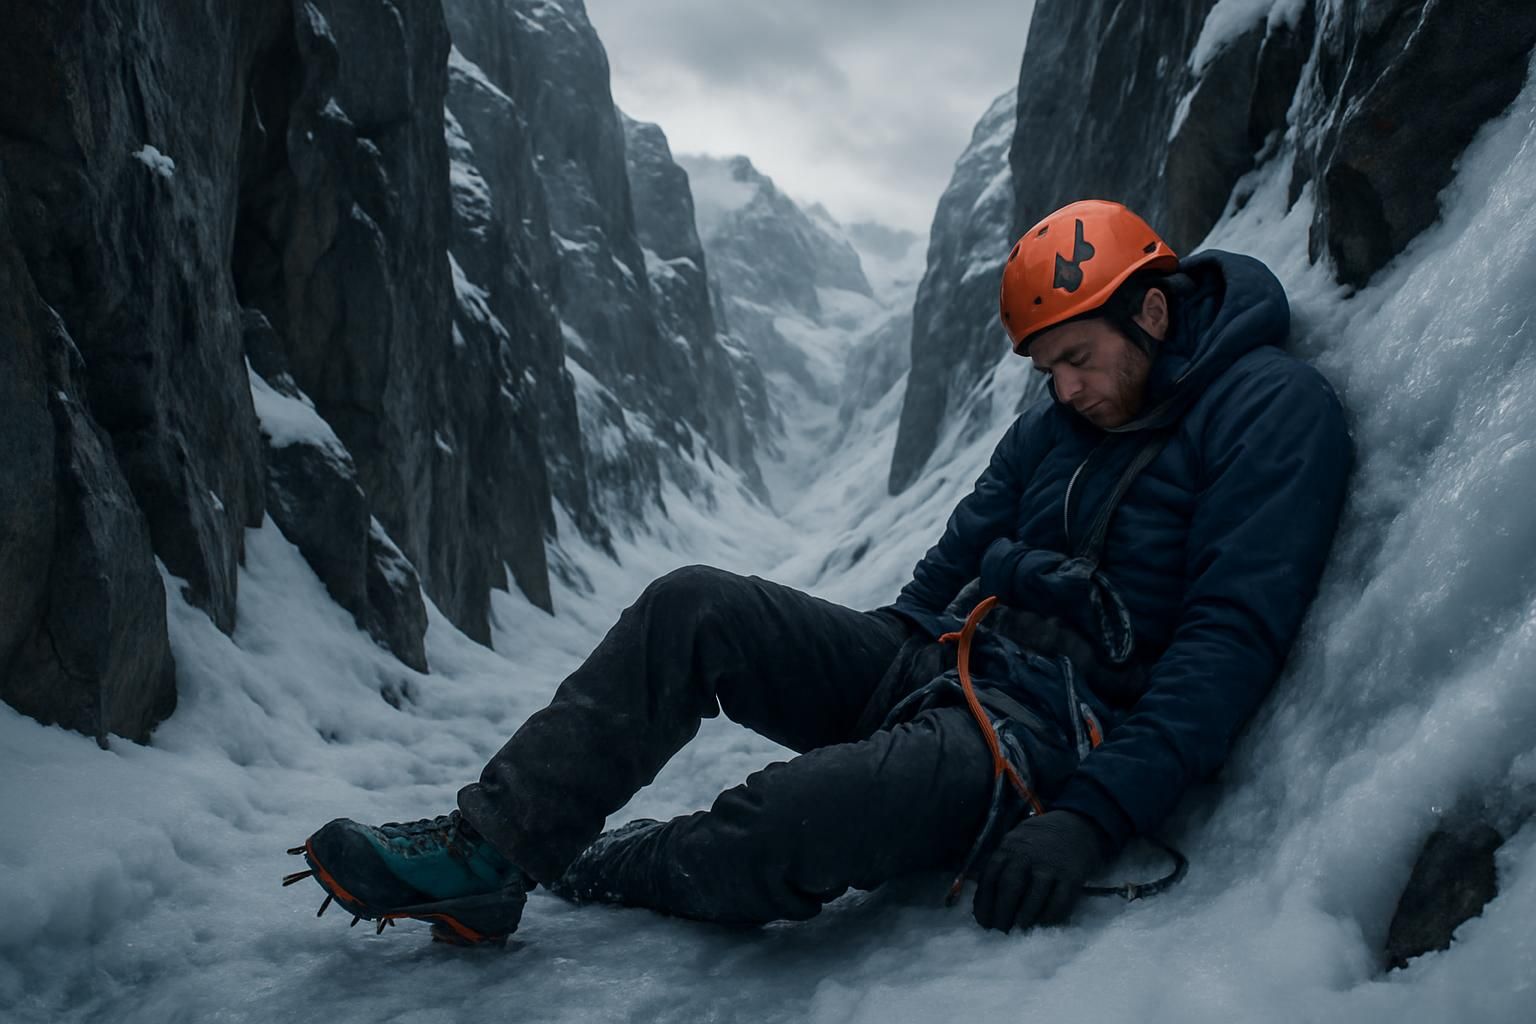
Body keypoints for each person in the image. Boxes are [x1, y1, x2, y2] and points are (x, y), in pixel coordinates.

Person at [286, 199, 1352, 946]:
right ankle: (491, 851)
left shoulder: (1270, 413)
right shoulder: (1060, 418)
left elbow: (1227, 644)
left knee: (790, 821)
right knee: (692, 605)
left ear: (1152, 310)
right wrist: (873, 671)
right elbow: (960, 553)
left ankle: (598, 860)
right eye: (1046, 368)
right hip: (944, 668)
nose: (1062, 389)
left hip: (1041, 741)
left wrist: (1090, 814)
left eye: (1077, 358)